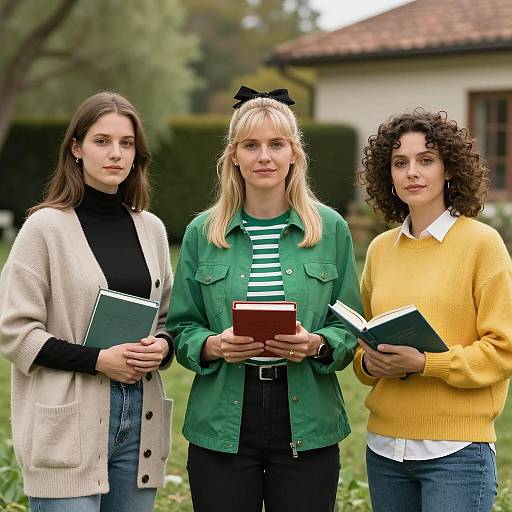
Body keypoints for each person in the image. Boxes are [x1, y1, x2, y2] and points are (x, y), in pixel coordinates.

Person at [166, 85, 361, 512]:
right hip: (223, 418)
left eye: (276, 144)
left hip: (307, 415)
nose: (264, 157)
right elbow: (180, 327)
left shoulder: (330, 230)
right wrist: (214, 345)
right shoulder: (203, 232)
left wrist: (317, 343)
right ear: (233, 155)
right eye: (251, 145)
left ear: (294, 153)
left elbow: (349, 325)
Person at [0, 91, 174, 512]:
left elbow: (167, 319)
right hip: (68, 422)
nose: (115, 153)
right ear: (76, 149)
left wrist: (163, 347)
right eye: (102, 141)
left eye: (126, 143)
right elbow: (12, 332)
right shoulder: (45, 228)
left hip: (139, 418)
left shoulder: (151, 229)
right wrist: (98, 360)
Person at [354, 108, 512, 512]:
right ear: (386, 175)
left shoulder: (482, 244)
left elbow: (502, 350)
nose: (412, 172)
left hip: (457, 452)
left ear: (448, 169)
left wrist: (426, 363)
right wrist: (371, 364)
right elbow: (362, 350)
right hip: (385, 450)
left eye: (426, 160)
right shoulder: (379, 250)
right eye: (400, 163)